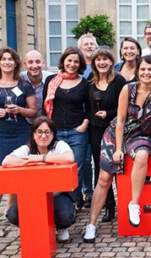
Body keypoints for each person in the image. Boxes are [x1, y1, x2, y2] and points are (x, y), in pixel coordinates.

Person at [83, 55, 151, 243]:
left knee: (141, 157)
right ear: (137, 71)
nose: (146, 73)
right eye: (143, 69)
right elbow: (120, 120)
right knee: (104, 179)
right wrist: (118, 148)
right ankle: (91, 224)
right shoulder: (127, 89)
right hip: (115, 133)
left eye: (150, 69)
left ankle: (134, 204)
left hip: (141, 135)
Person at [2, 116, 75, 242]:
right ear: (33, 134)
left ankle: (61, 227)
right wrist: (30, 163)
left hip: (57, 195)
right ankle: (30, 227)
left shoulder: (59, 145)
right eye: (39, 132)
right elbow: (7, 161)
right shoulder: (27, 148)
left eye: (47, 132)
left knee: (65, 215)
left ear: (53, 134)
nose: (43, 136)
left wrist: (41, 159)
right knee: (13, 214)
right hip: (32, 196)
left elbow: (69, 158)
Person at [42, 46, 90, 210]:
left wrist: (84, 125)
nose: (72, 64)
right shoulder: (51, 81)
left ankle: (75, 201)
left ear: (80, 64)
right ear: (63, 61)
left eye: (76, 61)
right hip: (56, 132)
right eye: (69, 60)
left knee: (76, 168)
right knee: (57, 169)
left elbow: (89, 108)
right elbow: (44, 107)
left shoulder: (84, 83)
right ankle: (61, 202)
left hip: (77, 132)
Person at [88, 48, 127, 222]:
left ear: (111, 61)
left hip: (115, 128)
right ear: (94, 62)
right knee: (100, 167)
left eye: (105, 59)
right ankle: (108, 206)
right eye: (98, 59)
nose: (102, 62)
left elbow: (124, 107)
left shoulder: (118, 80)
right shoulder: (90, 81)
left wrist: (108, 113)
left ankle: (125, 204)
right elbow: (86, 107)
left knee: (119, 166)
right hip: (96, 130)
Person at [0, 47, 37, 211]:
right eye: (3, 59)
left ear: (16, 63)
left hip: (20, 134)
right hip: (1, 136)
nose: (7, 62)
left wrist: (19, 110)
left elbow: (34, 111)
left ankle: (10, 213)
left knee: (18, 176)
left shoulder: (24, 85)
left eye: (10, 59)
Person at [78, 33, 99, 209]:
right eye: (86, 44)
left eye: (92, 43)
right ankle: (87, 191)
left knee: (98, 157)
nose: (89, 46)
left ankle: (98, 192)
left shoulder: (100, 66)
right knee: (84, 160)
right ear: (80, 47)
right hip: (81, 119)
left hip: (98, 119)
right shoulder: (77, 66)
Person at [21, 50, 53, 123]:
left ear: (43, 63)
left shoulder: (52, 79)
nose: (34, 66)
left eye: (38, 62)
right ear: (25, 64)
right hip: (23, 124)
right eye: (30, 62)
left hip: (47, 124)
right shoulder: (18, 79)